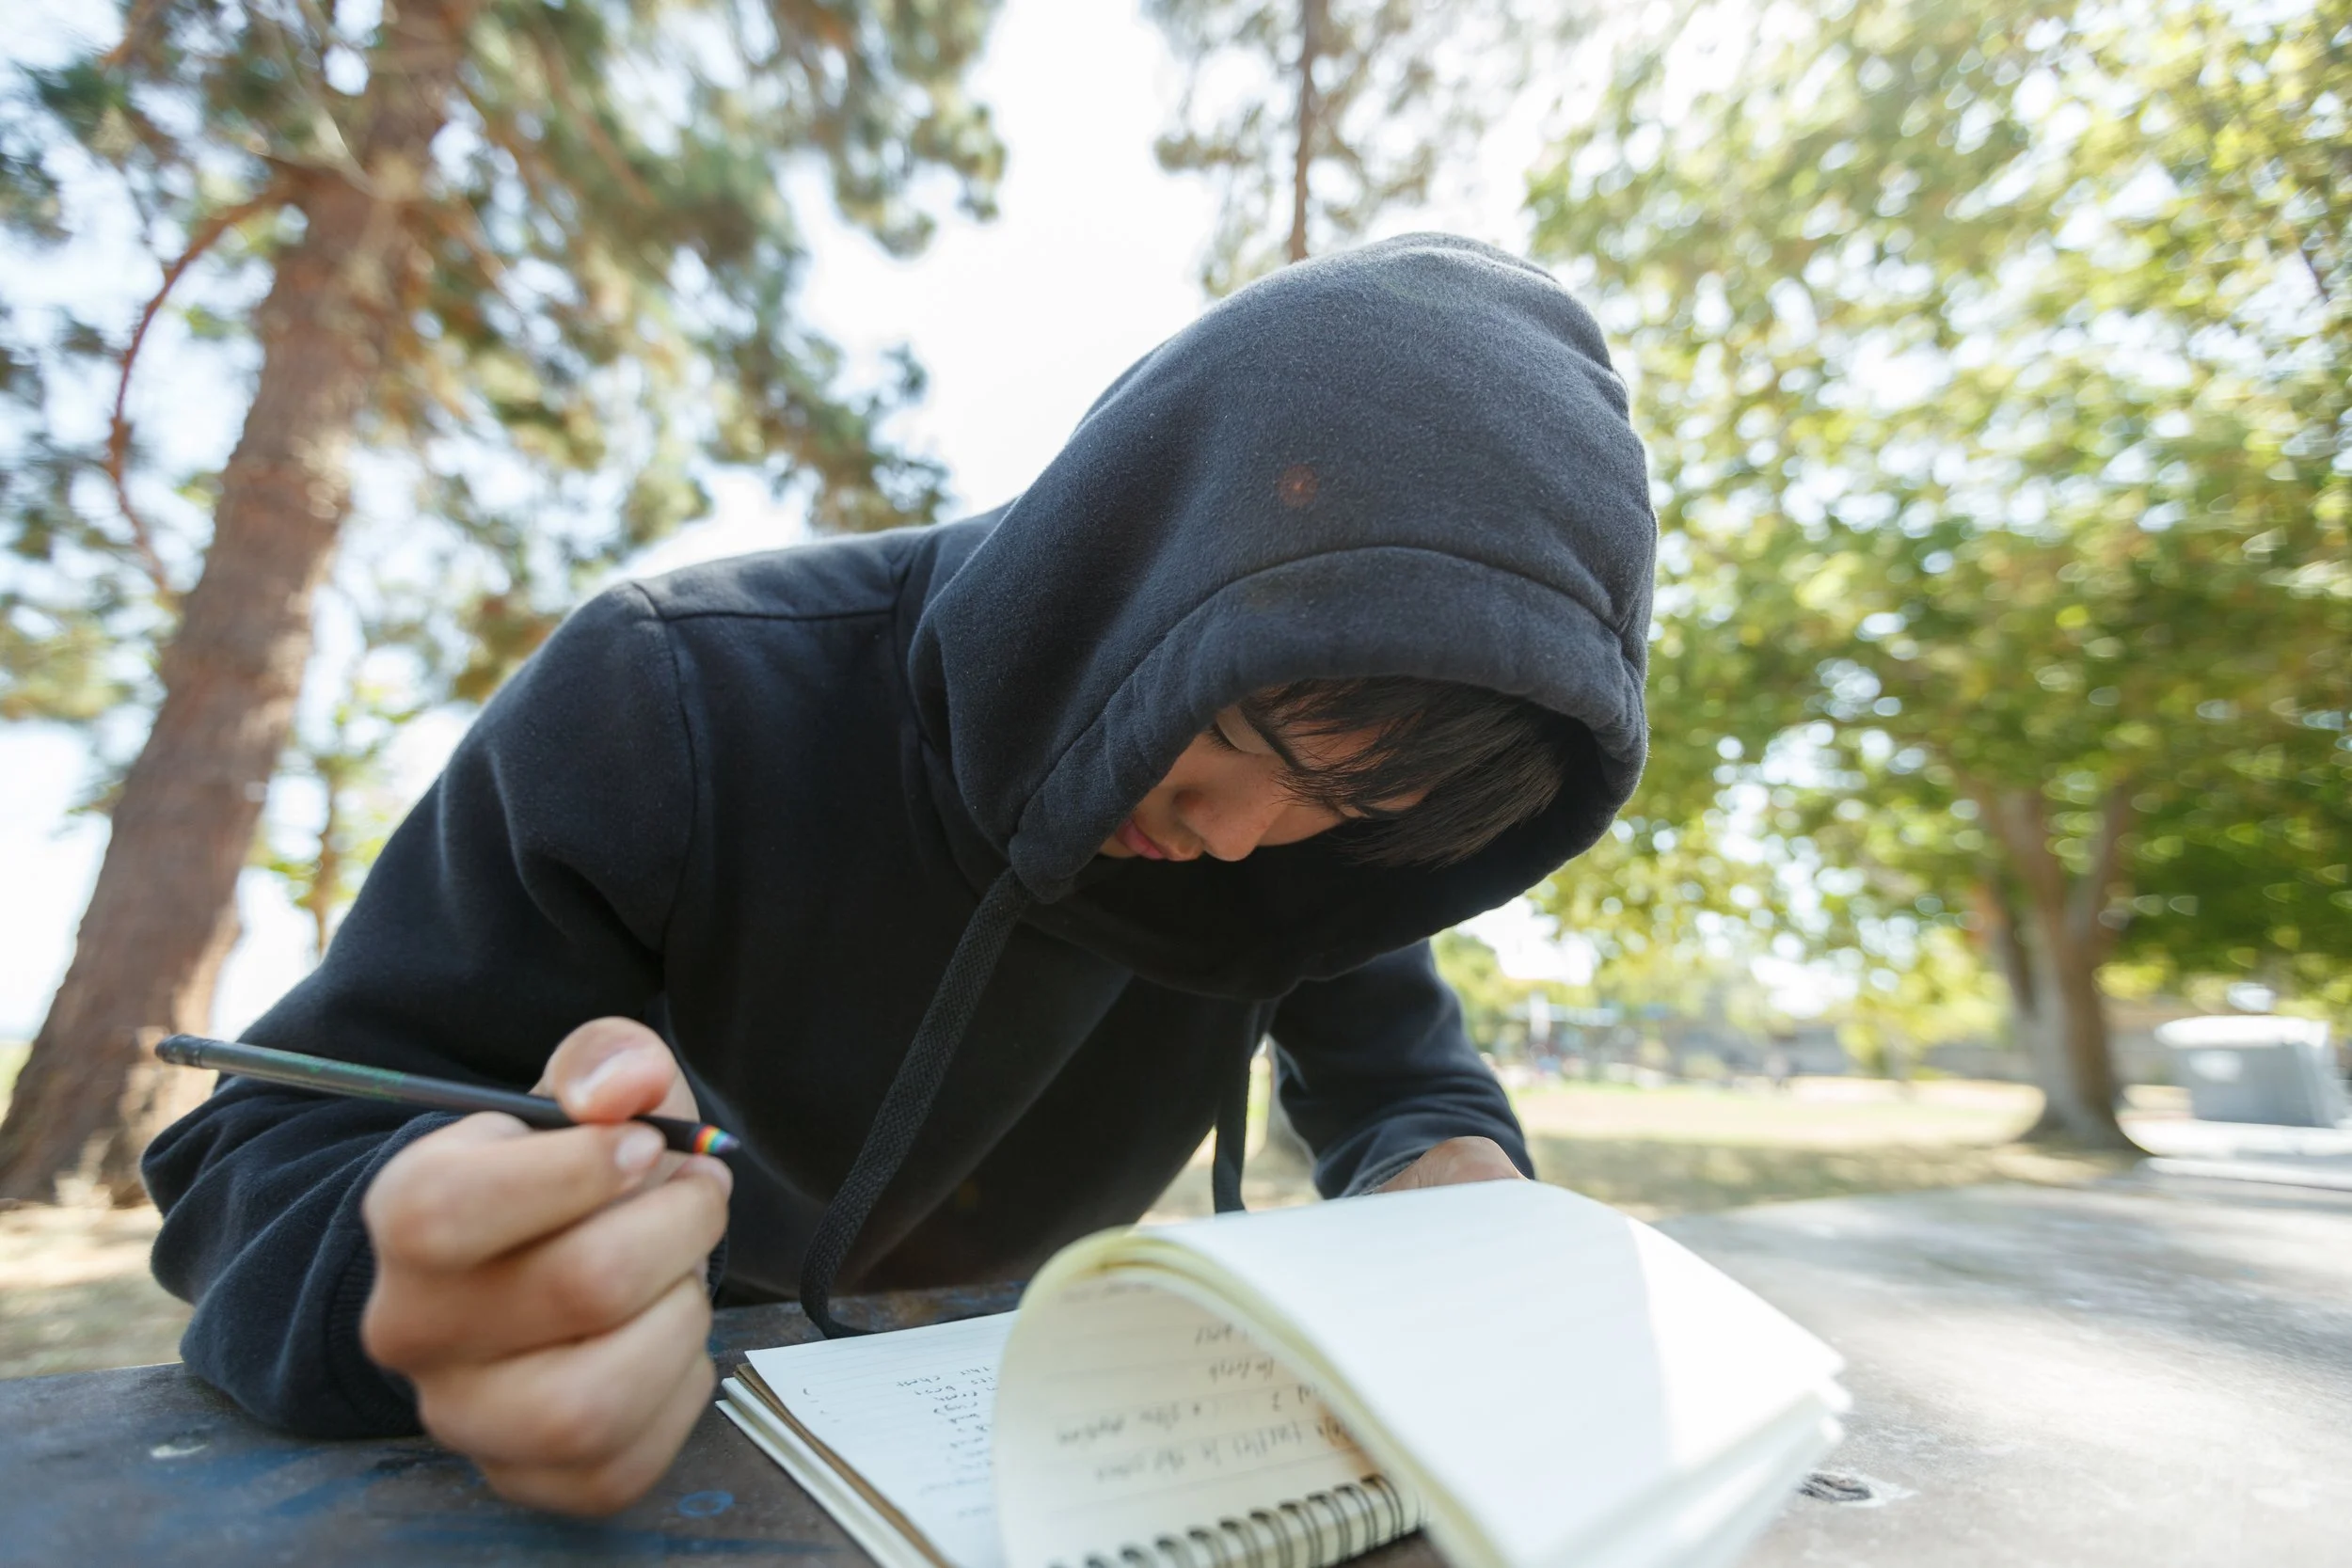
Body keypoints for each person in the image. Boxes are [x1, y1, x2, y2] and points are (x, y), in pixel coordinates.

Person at [143, 233, 1659, 1514]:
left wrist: (1451, 1188)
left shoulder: (1303, 867)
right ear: (1144, 548)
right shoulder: (670, 698)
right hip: (659, 1459)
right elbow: (259, 1154)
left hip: (1046, 1459)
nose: (1242, 834)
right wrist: (411, 1295)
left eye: (1344, 800)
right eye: (1244, 717)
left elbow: (1413, 1089)